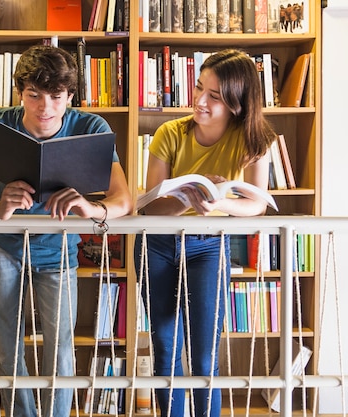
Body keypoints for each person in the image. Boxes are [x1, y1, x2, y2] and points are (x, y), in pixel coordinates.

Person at [0, 45, 132, 417]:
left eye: (57, 97)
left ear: (70, 96)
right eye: (34, 96)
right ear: (19, 92)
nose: (45, 107)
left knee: (59, 346)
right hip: (3, 247)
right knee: (6, 344)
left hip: (59, 248)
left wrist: (93, 209)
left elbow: (124, 198)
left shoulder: (91, 127)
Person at [135, 49, 278, 417]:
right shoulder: (171, 132)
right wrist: (187, 197)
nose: (199, 101)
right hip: (158, 245)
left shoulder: (255, 139)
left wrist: (219, 203)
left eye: (213, 96)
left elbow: (257, 204)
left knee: (204, 355)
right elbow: (150, 205)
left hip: (210, 246)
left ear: (237, 101)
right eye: (199, 88)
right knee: (164, 348)